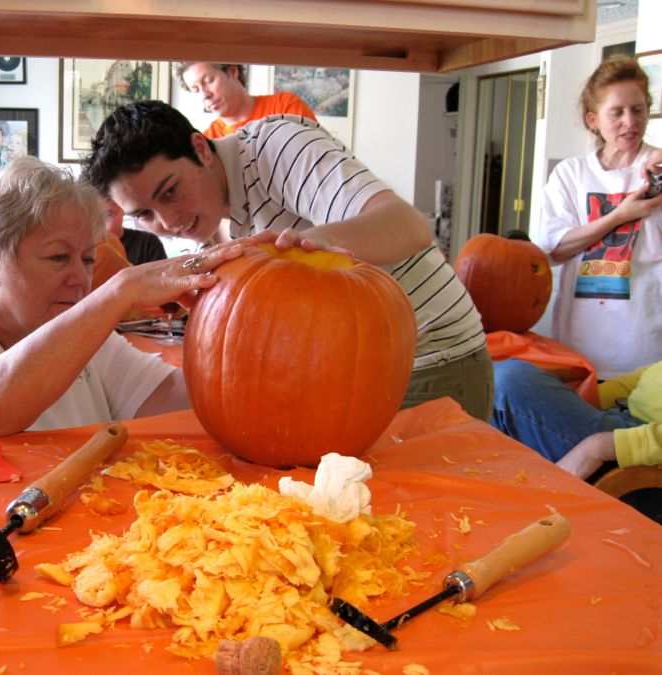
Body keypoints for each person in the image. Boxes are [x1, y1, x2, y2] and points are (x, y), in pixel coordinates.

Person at [83, 101, 493, 420]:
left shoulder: (278, 147)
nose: (168, 221)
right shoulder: (219, 215)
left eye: (170, 191)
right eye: (145, 215)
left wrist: (299, 248)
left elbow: (407, 226)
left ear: (200, 149)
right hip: (359, 376)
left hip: (434, 359)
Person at [0, 156, 242, 435]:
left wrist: (241, 311)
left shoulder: (82, 336)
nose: (81, 279)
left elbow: (178, 399)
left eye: (88, 259)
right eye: (59, 257)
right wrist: (119, 291)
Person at [532, 57, 662, 380]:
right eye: (616, 113)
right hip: (578, 348)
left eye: (638, 109)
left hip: (645, 350)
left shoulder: (658, 169)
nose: (629, 121)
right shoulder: (572, 174)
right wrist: (620, 215)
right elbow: (553, 249)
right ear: (593, 120)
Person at [491, 358, 660, 481]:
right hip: (617, 423)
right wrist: (562, 404)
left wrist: (598, 447)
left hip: (630, 456)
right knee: (498, 383)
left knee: (511, 380)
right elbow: (630, 385)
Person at [175, 62, 317, 139]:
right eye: (195, 90)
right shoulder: (208, 141)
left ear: (233, 71)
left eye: (209, 81)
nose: (204, 95)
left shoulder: (285, 106)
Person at [101, 197, 167, 266]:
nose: (100, 226)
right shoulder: (91, 250)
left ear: (123, 209)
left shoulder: (147, 243)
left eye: (107, 215)